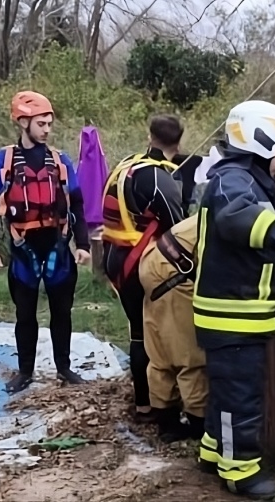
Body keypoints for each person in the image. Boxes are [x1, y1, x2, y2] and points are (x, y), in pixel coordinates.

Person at [194, 100, 275, 500]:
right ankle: (240, 469)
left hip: (240, 312)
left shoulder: (243, 180)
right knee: (240, 397)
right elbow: (239, 219)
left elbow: (251, 245)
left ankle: (214, 450)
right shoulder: (233, 182)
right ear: (261, 145)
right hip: (233, 315)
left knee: (229, 393)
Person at [0, 91, 91, 394]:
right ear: (23, 122)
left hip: (58, 249)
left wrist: (83, 244)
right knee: (25, 315)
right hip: (23, 252)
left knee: (62, 313)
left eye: (49, 124)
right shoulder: (4, 161)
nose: (47, 129)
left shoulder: (60, 160)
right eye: (41, 123)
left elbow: (77, 203)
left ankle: (64, 368)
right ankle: (25, 371)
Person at [101, 115, 185, 424]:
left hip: (116, 258)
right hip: (141, 263)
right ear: (179, 141)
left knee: (137, 332)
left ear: (148, 136)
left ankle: (143, 404)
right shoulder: (160, 181)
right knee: (151, 336)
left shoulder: (127, 165)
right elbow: (179, 229)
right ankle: (156, 405)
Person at [137, 214, 207, 442]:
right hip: (174, 270)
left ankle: (166, 420)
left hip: (153, 260)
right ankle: (198, 424)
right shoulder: (244, 218)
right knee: (190, 356)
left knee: (161, 353)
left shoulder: (219, 205)